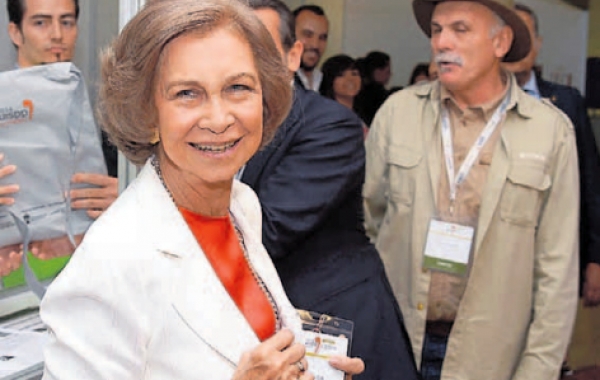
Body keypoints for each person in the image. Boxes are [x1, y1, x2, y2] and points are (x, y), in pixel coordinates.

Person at [40, 1, 363, 379]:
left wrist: (312, 368)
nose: (218, 119)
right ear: (147, 114)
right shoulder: (109, 263)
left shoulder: (242, 205)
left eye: (238, 87)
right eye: (187, 94)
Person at [364, 0, 579, 379]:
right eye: (436, 30)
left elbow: (556, 270)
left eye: (460, 29)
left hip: (492, 357)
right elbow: (365, 228)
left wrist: (537, 371)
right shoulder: (397, 114)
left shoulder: (549, 132)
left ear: (501, 42)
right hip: (395, 346)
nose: (442, 42)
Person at [244, 1, 419, 379]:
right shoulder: (227, 128)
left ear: (293, 55)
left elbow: (264, 231)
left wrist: (164, 206)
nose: (245, 61)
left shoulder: (329, 126)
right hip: (266, 332)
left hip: (333, 323)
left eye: (259, 46)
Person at [1, 0, 118, 267]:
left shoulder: (106, 125)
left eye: (66, 22)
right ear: (15, 32)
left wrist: (126, 199)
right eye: (40, 22)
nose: (57, 34)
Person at [504, 3, 600, 308]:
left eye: (525, 35)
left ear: (538, 43)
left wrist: (596, 259)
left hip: (553, 260)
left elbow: (591, 184)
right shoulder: (476, 106)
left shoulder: (567, 103)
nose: (518, 45)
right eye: (510, 36)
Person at [293, 5, 328, 91]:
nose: (315, 45)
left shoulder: (326, 83)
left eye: (322, 37)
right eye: (308, 35)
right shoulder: (274, 82)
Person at [355, 51, 391, 126]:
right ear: (377, 71)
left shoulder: (357, 90)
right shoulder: (379, 94)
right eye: (388, 72)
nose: (390, 75)